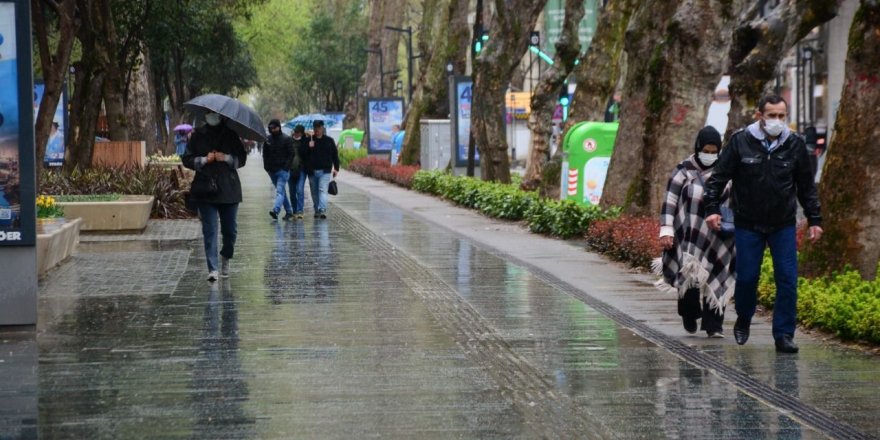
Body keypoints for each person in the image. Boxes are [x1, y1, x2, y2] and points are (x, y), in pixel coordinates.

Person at [704, 94, 823, 353]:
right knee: (747, 278)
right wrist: (712, 209)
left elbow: (806, 187)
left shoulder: (795, 145)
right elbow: (717, 179)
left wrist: (815, 219)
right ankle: (744, 317)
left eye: (781, 115)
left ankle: (783, 334)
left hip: (783, 224)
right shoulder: (740, 141)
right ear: (760, 115)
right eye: (772, 115)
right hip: (748, 223)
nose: (777, 120)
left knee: (788, 280)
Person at [655, 126, 735, 339]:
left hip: (719, 235)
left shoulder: (726, 170)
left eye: (714, 151)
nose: (710, 155)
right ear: (698, 147)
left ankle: (714, 325)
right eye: (706, 150)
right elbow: (670, 201)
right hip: (688, 235)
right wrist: (666, 229)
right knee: (689, 276)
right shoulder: (683, 170)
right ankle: (689, 314)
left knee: (718, 272)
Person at [182, 111, 248, 282]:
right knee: (209, 230)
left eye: (215, 114)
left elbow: (242, 158)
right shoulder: (197, 135)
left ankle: (226, 257)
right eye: (209, 113)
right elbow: (186, 159)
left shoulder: (231, 134)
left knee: (230, 231)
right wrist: (204, 160)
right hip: (205, 188)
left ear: (221, 116)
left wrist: (226, 157)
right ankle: (213, 269)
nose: (212, 116)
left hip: (229, 188)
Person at [304, 120, 339, 219]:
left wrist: (336, 168)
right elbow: (304, 155)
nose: (317, 130)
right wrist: (309, 147)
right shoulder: (309, 140)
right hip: (312, 171)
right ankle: (317, 210)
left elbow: (334, 155)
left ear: (323, 128)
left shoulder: (329, 141)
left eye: (319, 128)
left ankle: (322, 210)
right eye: (315, 128)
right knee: (314, 192)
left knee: (323, 190)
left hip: (325, 171)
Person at [262, 119, 295, 220]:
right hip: (272, 170)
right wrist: (266, 167)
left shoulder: (287, 139)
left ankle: (275, 210)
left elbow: (291, 154)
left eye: (274, 127)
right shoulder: (268, 140)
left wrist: (286, 168)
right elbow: (265, 154)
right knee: (282, 192)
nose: (272, 129)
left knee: (280, 191)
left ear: (279, 127)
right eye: (271, 128)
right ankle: (289, 211)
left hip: (282, 171)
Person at [288, 124, 309, 219]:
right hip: (290, 169)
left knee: (299, 190)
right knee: (292, 192)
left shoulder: (306, 141)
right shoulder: (289, 141)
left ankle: (300, 211)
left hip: (302, 169)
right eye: (295, 132)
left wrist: (307, 142)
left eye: (298, 132)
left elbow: (307, 154)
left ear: (302, 133)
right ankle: (295, 210)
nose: (296, 134)